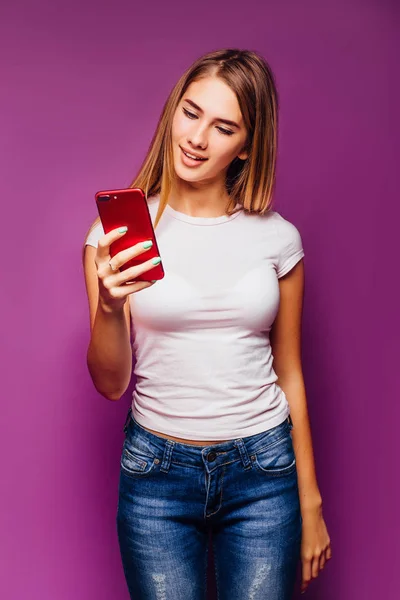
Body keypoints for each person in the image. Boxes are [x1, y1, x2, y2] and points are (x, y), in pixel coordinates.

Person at [82, 48, 331, 600]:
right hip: (157, 477)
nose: (197, 138)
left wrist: (309, 500)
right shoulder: (113, 236)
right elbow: (110, 383)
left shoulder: (278, 238)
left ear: (247, 145)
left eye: (224, 127)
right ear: (173, 109)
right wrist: (107, 306)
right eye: (191, 113)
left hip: (263, 474)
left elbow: (289, 372)